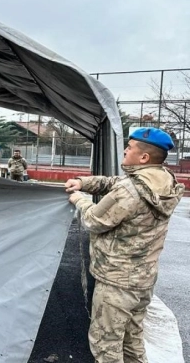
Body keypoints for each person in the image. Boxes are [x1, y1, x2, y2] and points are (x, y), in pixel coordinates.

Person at [65, 127, 184, 362]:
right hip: (142, 281)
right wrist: (83, 182)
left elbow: (94, 220)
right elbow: (113, 182)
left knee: (105, 345)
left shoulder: (130, 190)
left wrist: (79, 198)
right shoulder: (164, 180)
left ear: (144, 157)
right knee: (132, 341)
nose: (125, 152)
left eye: (129, 149)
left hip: (117, 282)